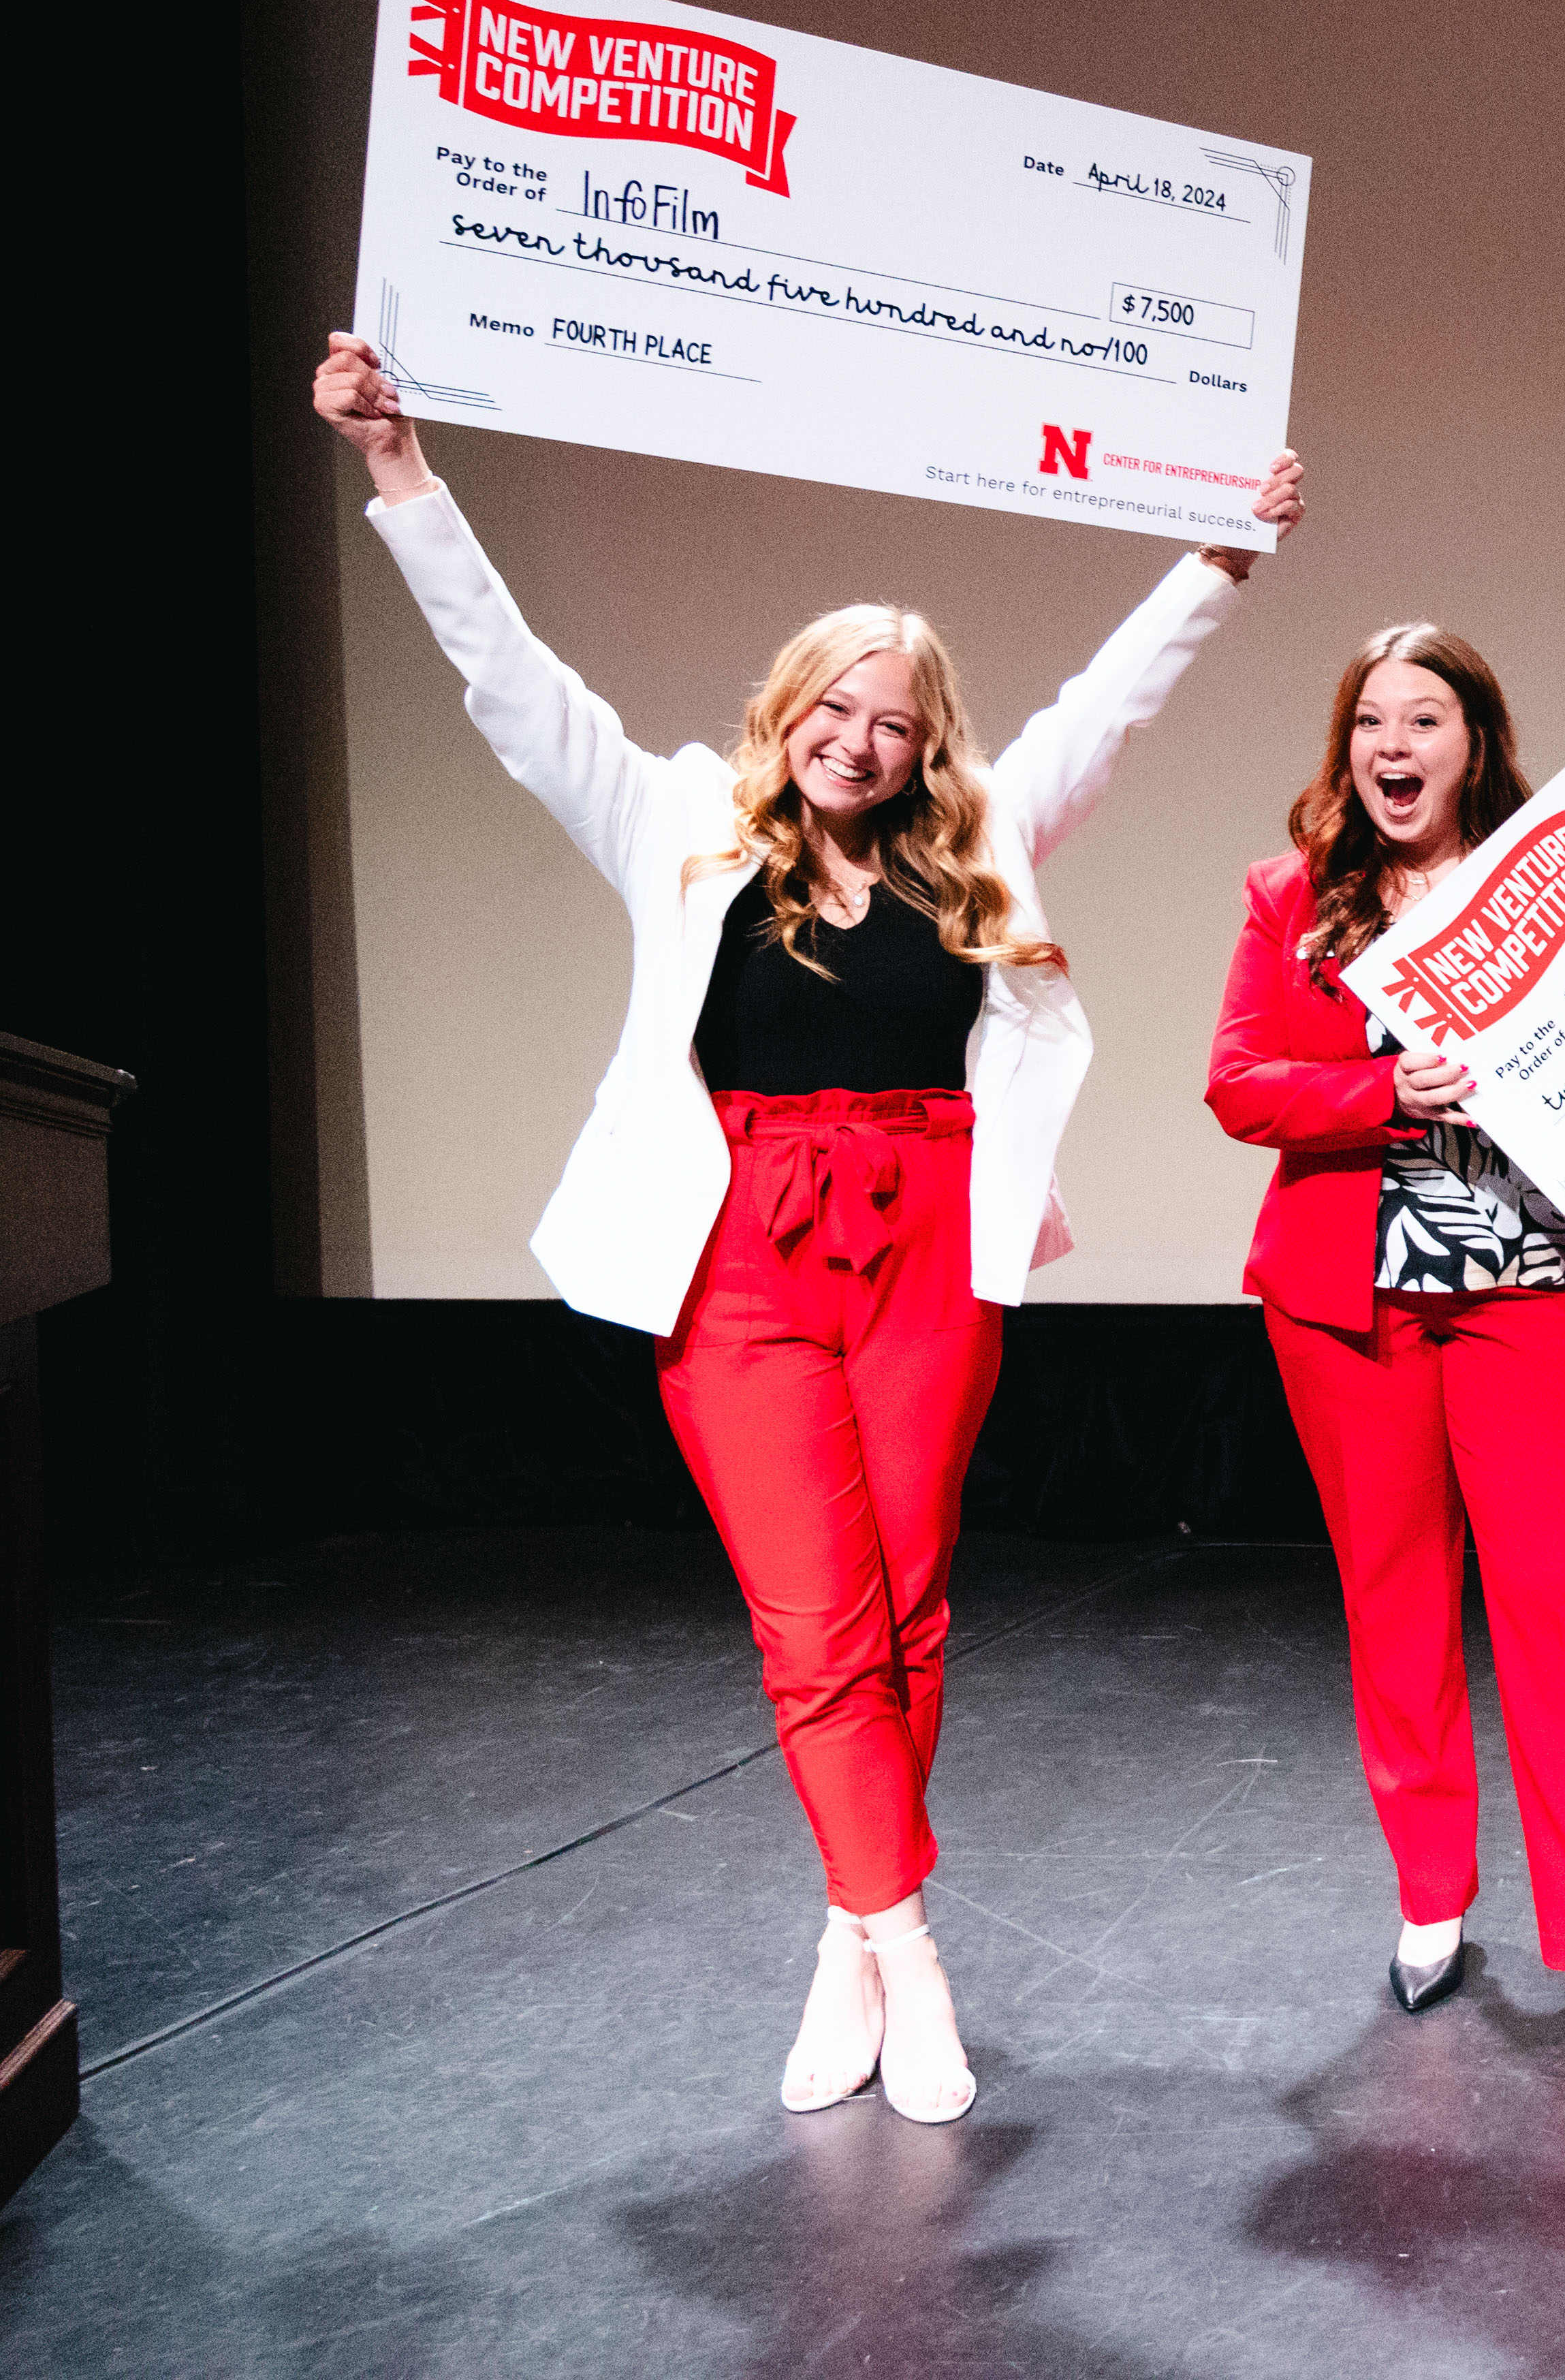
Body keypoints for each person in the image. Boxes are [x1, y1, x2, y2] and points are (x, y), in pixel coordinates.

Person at [311, 331, 1297, 2123]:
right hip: (740, 1250)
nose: (860, 737)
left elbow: (1105, 708)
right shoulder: (677, 819)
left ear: (926, 741)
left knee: (909, 1610)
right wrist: (400, 473)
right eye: (835, 705)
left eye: (894, 716)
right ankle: (910, 1957)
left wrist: (1219, 558)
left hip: (934, 1242)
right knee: (811, 1615)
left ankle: (849, 1928)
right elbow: (513, 683)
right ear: (790, 709)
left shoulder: (981, 841)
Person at [1208, 625, 1565, 2060]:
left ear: (1477, 739)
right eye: (1370, 722)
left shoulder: (1560, 887)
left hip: (1529, 1283)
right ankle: (1429, 1899)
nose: (1391, 746)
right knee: (1395, 1605)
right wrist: (1378, 1087)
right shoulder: (1294, 898)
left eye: (1423, 719)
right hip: (1355, 1306)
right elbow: (1236, 1083)